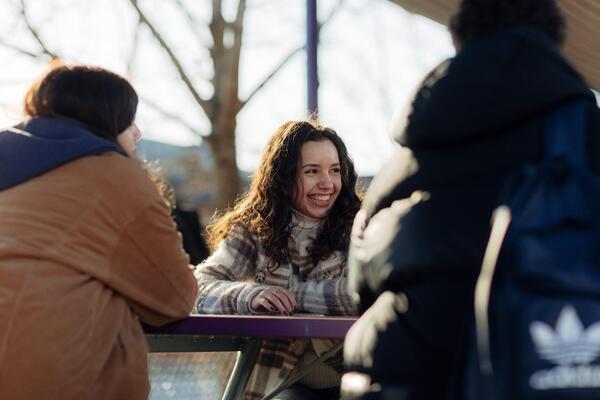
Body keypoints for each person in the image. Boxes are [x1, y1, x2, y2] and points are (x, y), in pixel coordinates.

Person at [342, 1, 600, 399]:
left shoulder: (405, 162)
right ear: (554, 40)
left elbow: (361, 281)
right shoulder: (585, 142)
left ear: (460, 37)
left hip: (412, 380)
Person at [0, 64, 198, 399]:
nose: (137, 133)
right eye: (129, 120)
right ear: (108, 119)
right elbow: (176, 298)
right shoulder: (116, 176)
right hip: (56, 380)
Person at [195, 120, 361, 399]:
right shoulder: (253, 230)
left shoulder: (361, 226)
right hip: (277, 385)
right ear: (283, 176)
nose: (327, 184)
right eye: (312, 171)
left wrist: (292, 295)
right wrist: (249, 295)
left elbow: (365, 293)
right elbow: (198, 286)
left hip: (357, 379)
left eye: (335, 170)